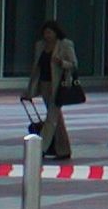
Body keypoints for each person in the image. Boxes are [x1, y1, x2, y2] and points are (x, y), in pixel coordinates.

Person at [20, 19, 77, 160]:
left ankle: (41, 148)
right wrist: (29, 89)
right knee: (57, 118)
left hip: (59, 86)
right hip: (45, 85)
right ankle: (63, 150)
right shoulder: (40, 46)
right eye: (45, 33)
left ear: (56, 32)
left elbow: (74, 64)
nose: (47, 36)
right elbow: (36, 68)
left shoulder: (65, 45)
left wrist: (62, 63)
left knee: (51, 118)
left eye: (50, 32)